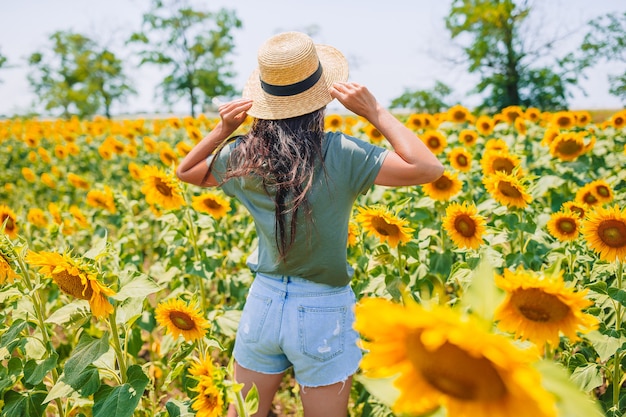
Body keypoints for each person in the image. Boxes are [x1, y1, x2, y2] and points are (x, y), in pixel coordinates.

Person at [176, 31, 444, 417]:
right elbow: (428, 168)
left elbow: (187, 171)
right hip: (324, 310)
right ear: (319, 98)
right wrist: (375, 112)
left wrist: (222, 129)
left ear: (264, 104)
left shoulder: (244, 156)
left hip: (263, 302)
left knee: (245, 413)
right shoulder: (341, 153)